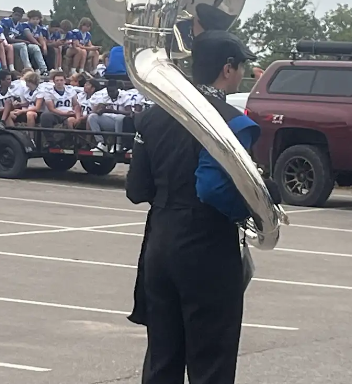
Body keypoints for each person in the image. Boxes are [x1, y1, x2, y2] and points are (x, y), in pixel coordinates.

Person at [126, 30, 261, 384]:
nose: (242, 73)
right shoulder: (231, 120)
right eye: (241, 66)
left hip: (159, 242)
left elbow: (136, 189)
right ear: (227, 68)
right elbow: (216, 188)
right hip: (208, 244)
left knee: (162, 359)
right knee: (211, 362)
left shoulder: (153, 117)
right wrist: (255, 205)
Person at [87, 79, 132, 151]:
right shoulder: (105, 96)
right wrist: (100, 111)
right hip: (110, 121)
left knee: (119, 118)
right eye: (109, 91)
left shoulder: (124, 96)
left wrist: (113, 111)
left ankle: (118, 144)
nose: (110, 93)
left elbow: (129, 113)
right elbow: (99, 108)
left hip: (122, 122)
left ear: (117, 89)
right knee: (92, 117)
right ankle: (101, 143)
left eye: (112, 91)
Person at [16, 9, 49, 74]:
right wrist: (39, 45)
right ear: (29, 19)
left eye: (37, 19)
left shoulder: (38, 27)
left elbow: (41, 38)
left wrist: (44, 47)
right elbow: (30, 37)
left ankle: (44, 69)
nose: (35, 21)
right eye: (33, 19)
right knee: (36, 48)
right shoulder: (25, 25)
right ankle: (29, 68)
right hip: (23, 43)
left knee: (38, 48)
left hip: (31, 45)